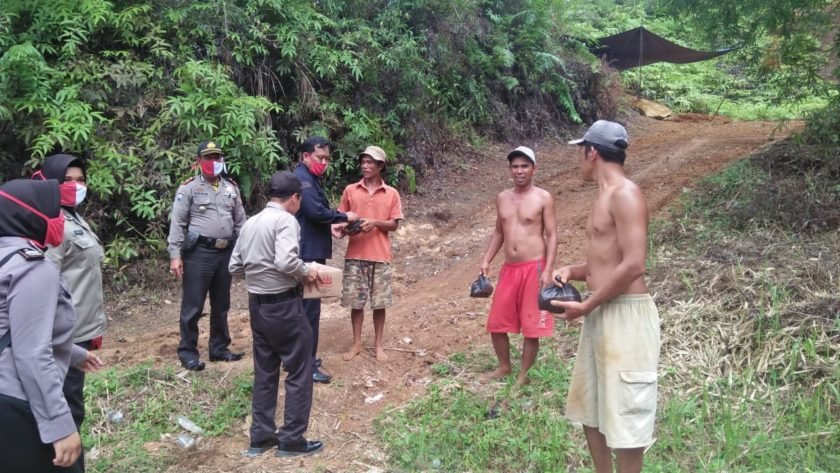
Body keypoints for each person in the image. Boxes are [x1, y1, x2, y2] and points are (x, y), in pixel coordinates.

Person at [552, 120, 660, 473]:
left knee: (627, 417)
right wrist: (573, 270)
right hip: (600, 312)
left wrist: (585, 305)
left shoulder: (626, 194)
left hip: (625, 316)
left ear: (592, 152)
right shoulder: (603, 196)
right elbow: (605, 262)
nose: (579, 161)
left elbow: (633, 266)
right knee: (591, 409)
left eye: (580, 153)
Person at [0, 179, 103, 473]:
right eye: (54, 212)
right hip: (15, 404)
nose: (60, 219)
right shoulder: (32, 267)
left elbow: (14, 326)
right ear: (28, 215)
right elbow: (32, 353)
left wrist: (72, 353)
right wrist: (60, 427)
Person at [229, 171, 324, 458]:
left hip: (257, 306)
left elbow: (235, 267)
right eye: (300, 199)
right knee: (299, 368)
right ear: (294, 198)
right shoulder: (285, 221)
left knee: (266, 371)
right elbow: (285, 260)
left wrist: (260, 274)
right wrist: (307, 272)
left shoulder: (251, 223)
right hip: (284, 305)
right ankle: (292, 439)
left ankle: (260, 436)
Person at [33, 154, 107, 472]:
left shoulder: (74, 217)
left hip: (81, 332)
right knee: (65, 414)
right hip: (64, 338)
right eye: (68, 180)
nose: (76, 186)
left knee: (73, 408)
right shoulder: (52, 224)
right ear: (51, 183)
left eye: (80, 179)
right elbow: (43, 287)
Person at [479, 146, 557, 386]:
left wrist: (548, 270)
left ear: (534, 169)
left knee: (532, 324)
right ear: (509, 170)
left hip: (534, 267)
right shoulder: (502, 198)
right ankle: (504, 366)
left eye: (524, 166)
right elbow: (498, 231)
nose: (519, 171)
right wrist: (487, 259)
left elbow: (552, 235)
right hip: (510, 269)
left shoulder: (544, 198)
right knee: (497, 321)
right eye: (515, 166)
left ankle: (523, 375)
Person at [167, 141, 246, 371]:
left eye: (217, 158)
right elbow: (178, 223)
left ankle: (219, 348)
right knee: (193, 305)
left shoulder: (231, 187)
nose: (214, 163)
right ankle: (188, 352)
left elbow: (240, 222)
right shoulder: (189, 188)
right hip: (199, 253)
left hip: (225, 253)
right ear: (198, 162)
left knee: (221, 304)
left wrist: (246, 249)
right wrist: (175, 255)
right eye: (209, 158)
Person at [294, 136, 359, 383]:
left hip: (310, 248)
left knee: (307, 307)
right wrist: (344, 215)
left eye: (327, 159)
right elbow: (314, 211)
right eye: (320, 158)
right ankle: (306, 365)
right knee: (309, 310)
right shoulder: (303, 180)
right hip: (308, 254)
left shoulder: (309, 178)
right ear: (305, 156)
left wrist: (328, 228)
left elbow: (309, 218)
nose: (324, 163)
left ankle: (303, 358)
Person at [333, 146, 404, 362]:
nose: (365, 166)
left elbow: (394, 225)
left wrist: (374, 223)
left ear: (380, 166)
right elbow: (340, 218)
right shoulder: (350, 190)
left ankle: (378, 345)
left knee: (379, 303)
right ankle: (356, 344)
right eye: (363, 162)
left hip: (380, 256)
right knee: (356, 302)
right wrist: (345, 227)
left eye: (370, 162)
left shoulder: (391, 193)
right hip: (355, 255)